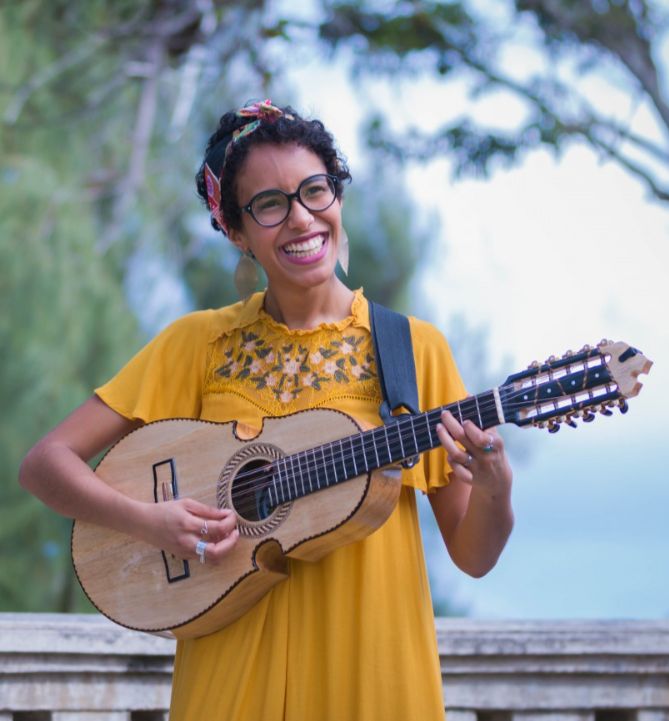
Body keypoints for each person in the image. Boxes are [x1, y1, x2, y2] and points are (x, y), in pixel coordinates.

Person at [19, 100, 514, 721]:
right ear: (236, 231)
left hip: (372, 676)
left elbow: (473, 556)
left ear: (338, 195)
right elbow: (45, 464)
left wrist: (495, 489)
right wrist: (149, 521)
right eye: (271, 205)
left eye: (315, 191)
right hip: (230, 676)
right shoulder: (197, 344)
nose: (302, 219)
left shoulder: (413, 351)